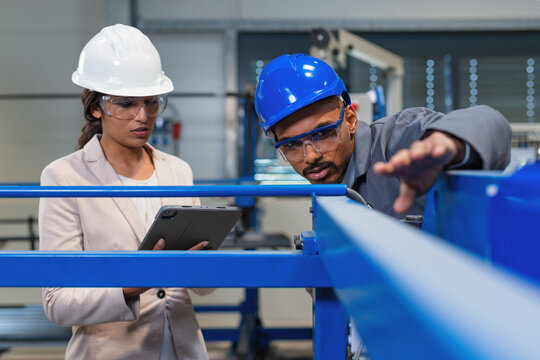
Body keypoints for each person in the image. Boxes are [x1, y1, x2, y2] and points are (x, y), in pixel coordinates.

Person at [39, 24, 212, 360]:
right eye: (126, 103)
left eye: (150, 102)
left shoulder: (178, 171)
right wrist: (132, 285)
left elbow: (204, 286)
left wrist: (201, 265)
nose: (142, 116)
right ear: (95, 107)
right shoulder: (63, 177)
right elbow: (57, 302)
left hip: (183, 349)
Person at [254, 53, 511, 217]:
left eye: (322, 134)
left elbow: (491, 123)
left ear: (351, 120)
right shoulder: (329, 189)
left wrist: (447, 142)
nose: (310, 156)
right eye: (292, 145)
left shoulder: (400, 140)